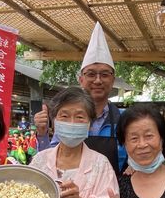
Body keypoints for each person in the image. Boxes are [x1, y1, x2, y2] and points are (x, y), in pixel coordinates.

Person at [34, 22, 126, 173]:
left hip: (112, 193)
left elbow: (136, 156)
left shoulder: (125, 120)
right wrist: (42, 134)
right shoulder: (65, 119)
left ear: (113, 80)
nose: (97, 80)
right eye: (91, 74)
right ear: (80, 79)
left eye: (104, 74)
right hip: (69, 191)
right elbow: (49, 161)